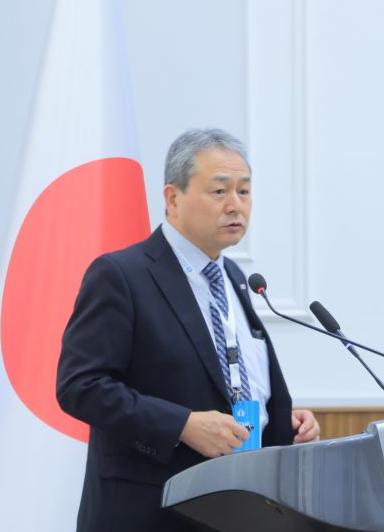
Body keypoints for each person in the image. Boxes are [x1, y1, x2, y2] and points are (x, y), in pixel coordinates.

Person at [57, 128, 320, 531]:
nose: (236, 205)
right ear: (172, 198)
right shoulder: (121, 275)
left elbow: (230, 380)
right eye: (219, 192)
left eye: (244, 192)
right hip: (152, 511)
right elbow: (81, 387)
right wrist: (182, 425)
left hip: (237, 507)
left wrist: (281, 422)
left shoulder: (233, 277)